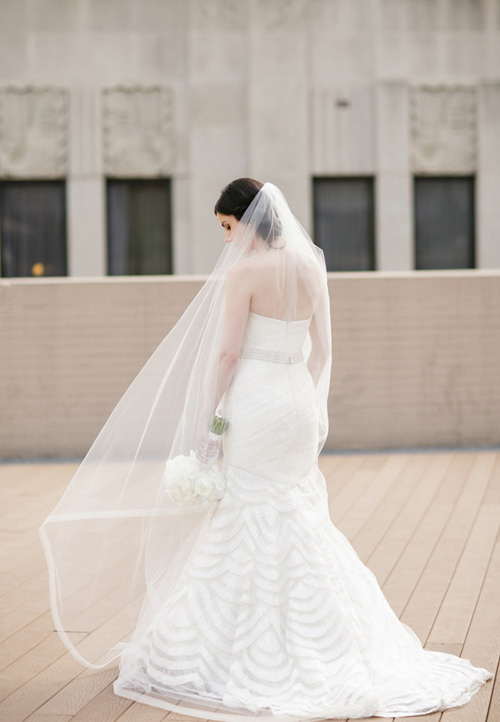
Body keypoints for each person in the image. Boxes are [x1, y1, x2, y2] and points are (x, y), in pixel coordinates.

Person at [40, 179, 493, 722]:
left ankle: (241, 646)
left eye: (228, 228)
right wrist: (306, 397)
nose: (227, 241)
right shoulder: (310, 267)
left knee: (247, 507)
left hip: (255, 402)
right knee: (294, 509)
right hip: (295, 398)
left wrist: (210, 421)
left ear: (248, 220)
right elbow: (322, 350)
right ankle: (334, 639)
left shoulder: (245, 274)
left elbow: (228, 354)